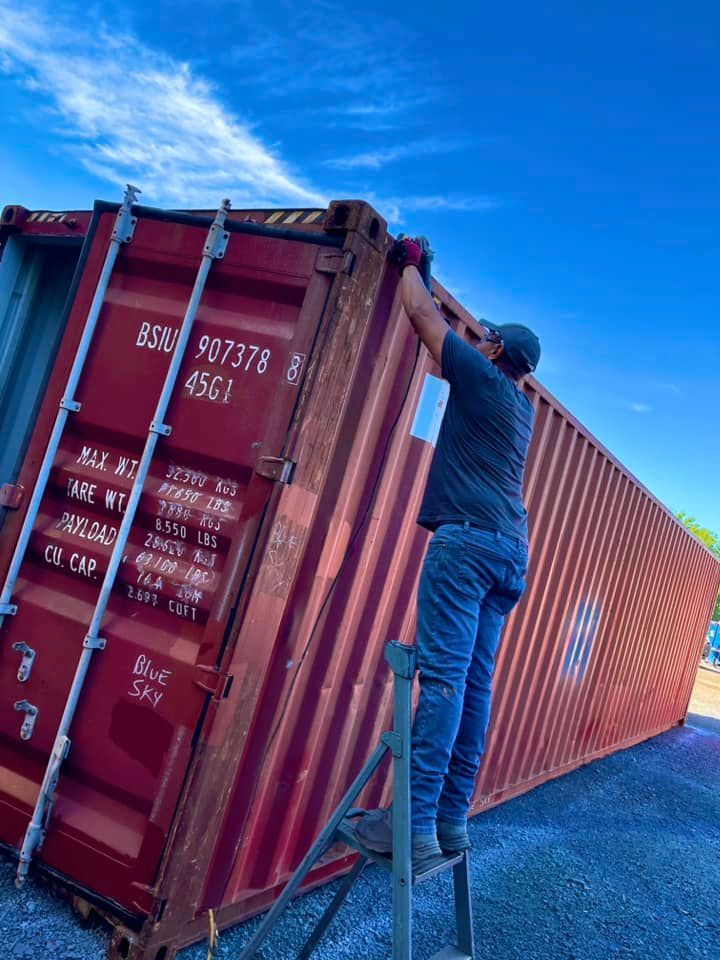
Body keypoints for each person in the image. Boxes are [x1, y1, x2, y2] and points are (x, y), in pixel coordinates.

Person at [356, 237, 540, 870]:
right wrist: (427, 274)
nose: (479, 339)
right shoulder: (522, 408)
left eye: (485, 337)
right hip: (511, 552)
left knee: (440, 681)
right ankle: (450, 822)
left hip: (465, 545)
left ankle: (408, 826)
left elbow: (422, 318)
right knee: (474, 687)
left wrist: (409, 263)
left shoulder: (483, 381)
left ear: (493, 352)